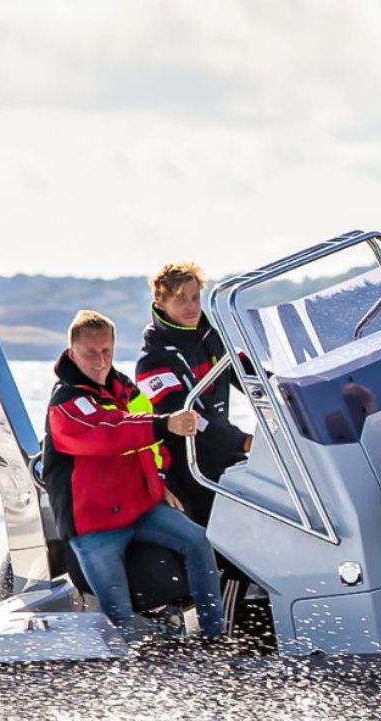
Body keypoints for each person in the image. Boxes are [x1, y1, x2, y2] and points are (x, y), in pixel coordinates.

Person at [42, 310, 226, 637]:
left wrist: (160, 482)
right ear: (72, 353)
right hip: (94, 525)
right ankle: (126, 676)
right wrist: (164, 423)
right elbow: (110, 434)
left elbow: (148, 442)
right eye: (90, 353)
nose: (100, 361)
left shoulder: (125, 389)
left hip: (139, 508)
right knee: (120, 618)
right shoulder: (66, 404)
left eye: (106, 351)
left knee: (198, 541)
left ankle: (214, 636)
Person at [134, 261, 252, 525]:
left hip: (225, 455)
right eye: (180, 300)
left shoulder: (212, 338)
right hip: (187, 468)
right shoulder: (152, 361)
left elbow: (251, 375)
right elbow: (187, 418)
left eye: (195, 298)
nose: (191, 307)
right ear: (160, 302)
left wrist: (291, 392)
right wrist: (242, 441)